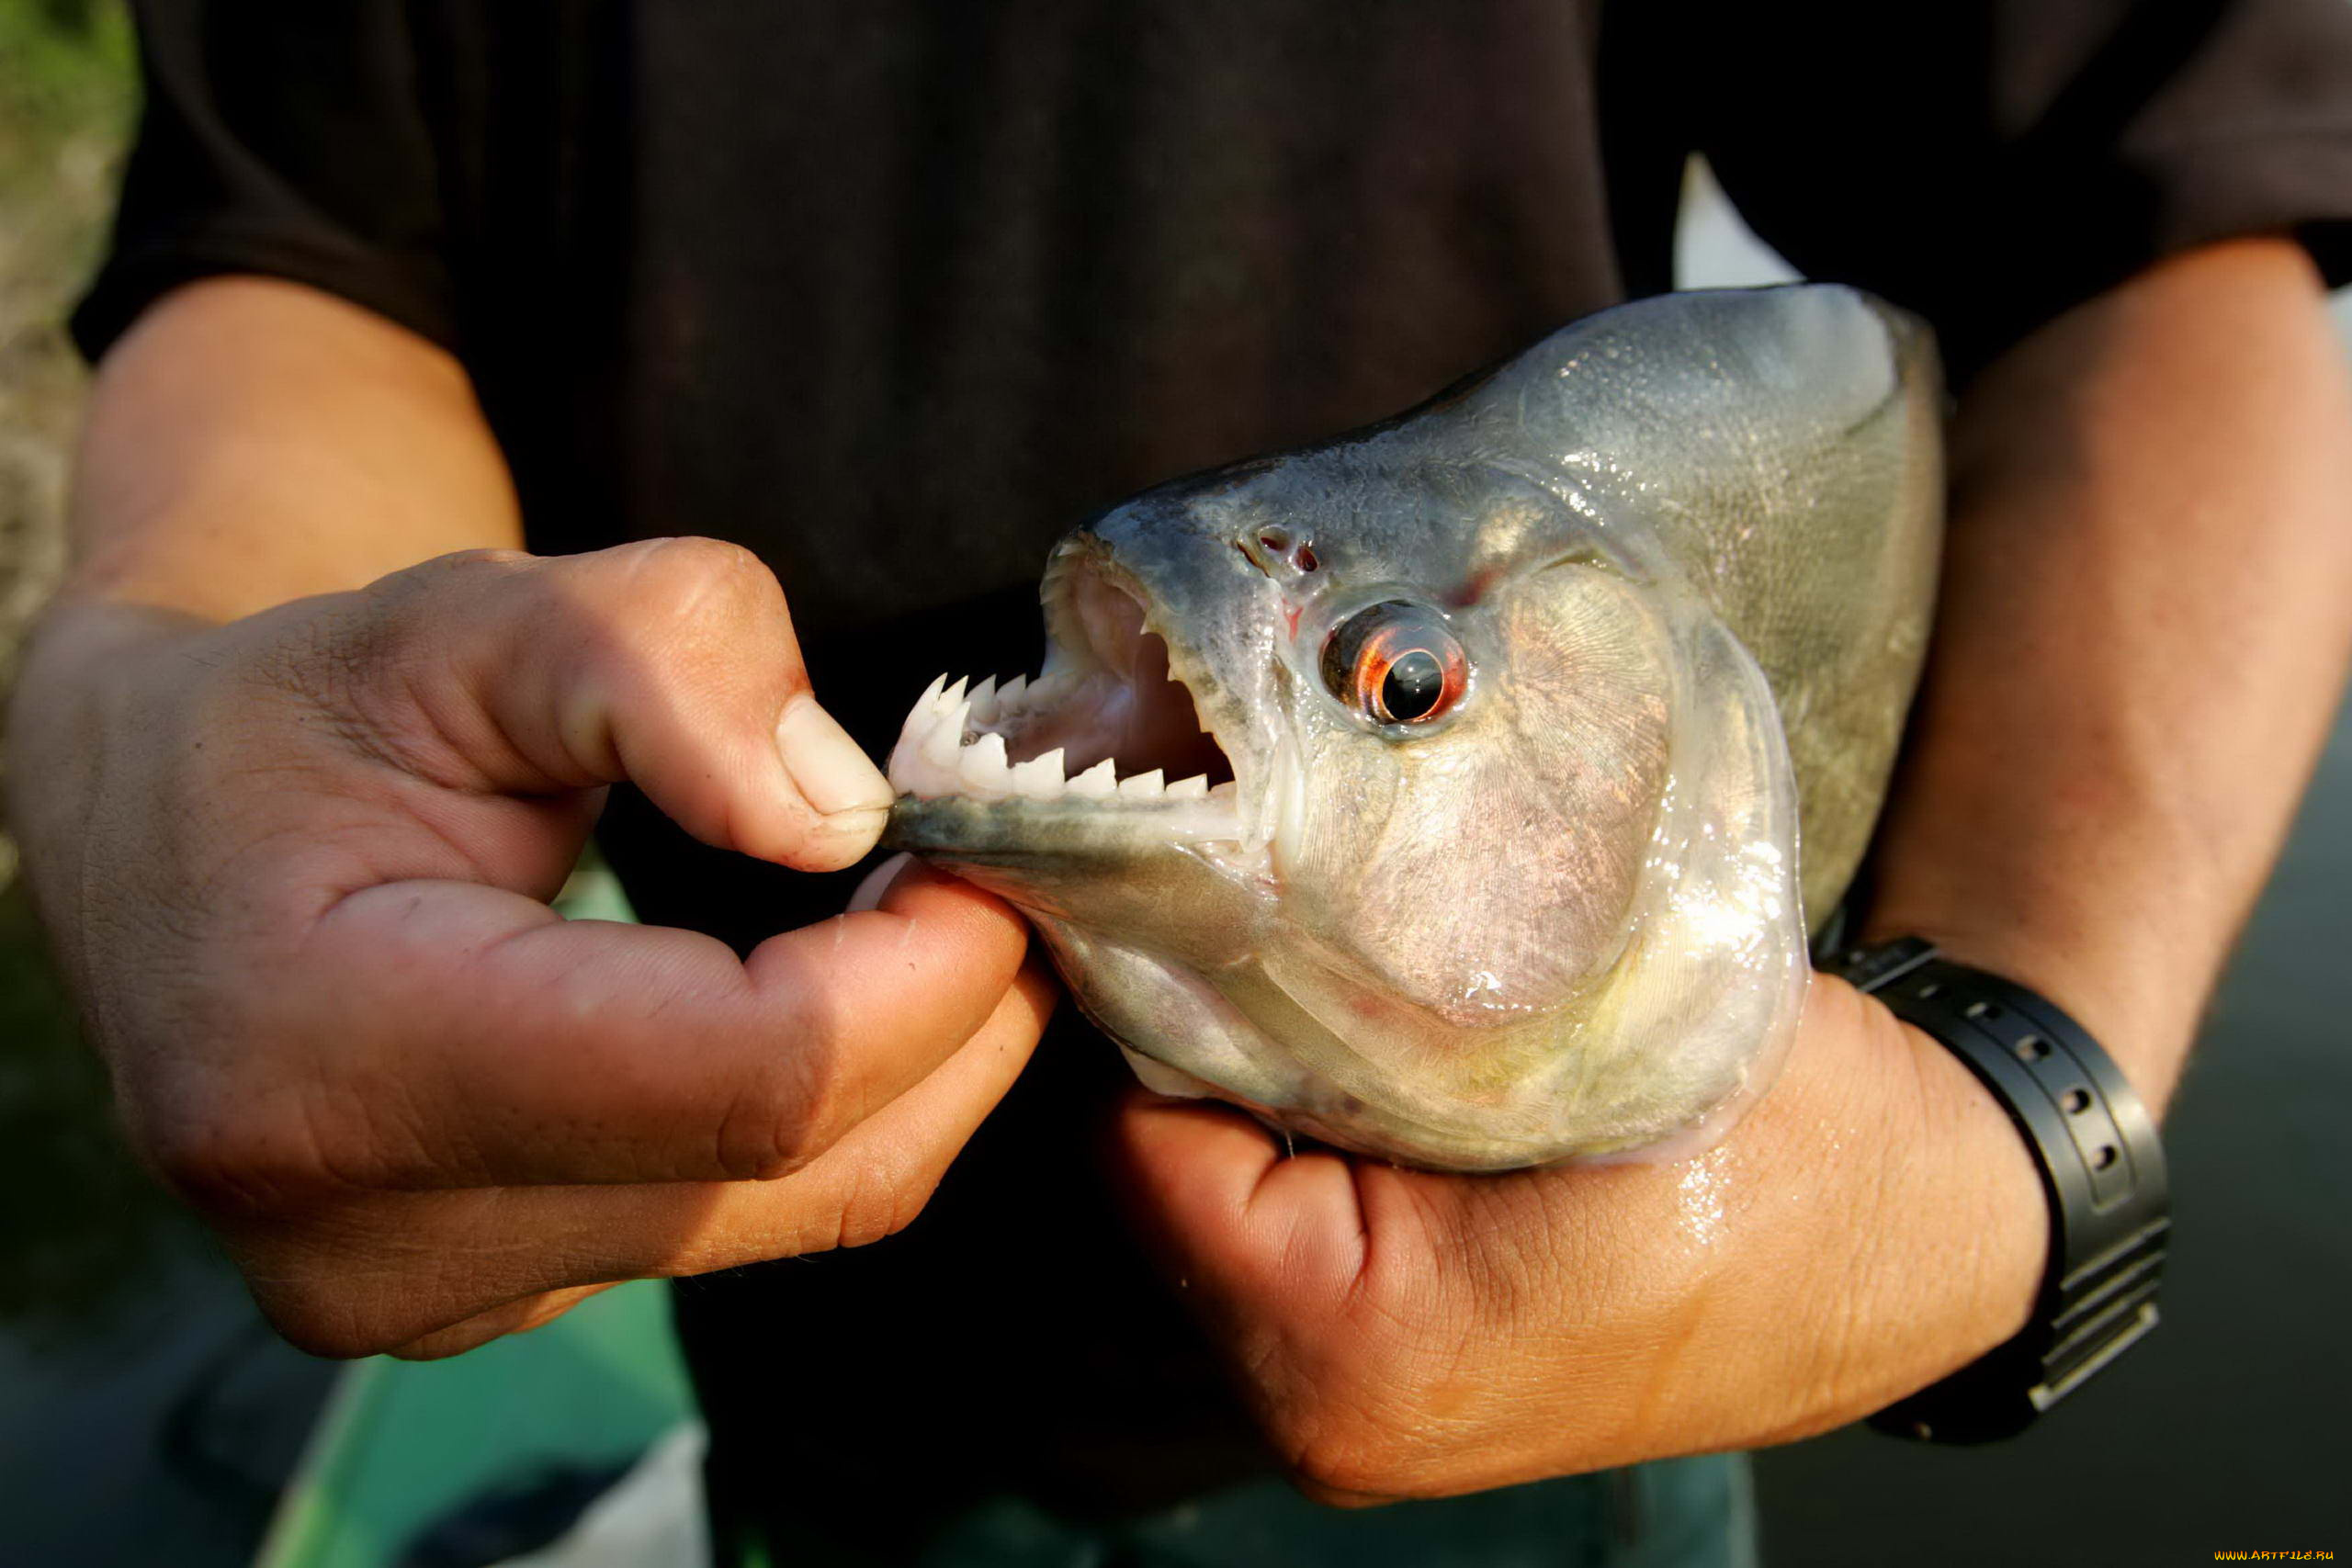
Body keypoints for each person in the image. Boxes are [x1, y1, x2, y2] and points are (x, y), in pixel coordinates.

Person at [10, 3, 2352, 1563]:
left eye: (1396, 682)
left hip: (1574, 1435)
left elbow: (2145, 194)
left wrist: (2021, 1125)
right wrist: (179, 691)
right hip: (816, 1394)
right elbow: (290, 245)